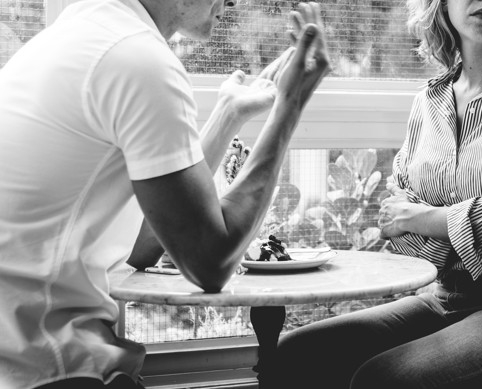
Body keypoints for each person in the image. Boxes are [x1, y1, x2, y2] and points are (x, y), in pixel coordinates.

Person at [0, 0, 330, 387]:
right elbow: (211, 262)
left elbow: (142, 244)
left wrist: (227, 115)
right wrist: (290, 105)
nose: (235, 1)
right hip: (55, 372)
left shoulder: (72, 38)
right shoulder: (138, 58)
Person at [271, 1, 482, 388]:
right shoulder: (429, 101)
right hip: (446, 296)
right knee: (295, 355)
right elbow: (399, 230)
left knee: (384, 379)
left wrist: (424, 216)